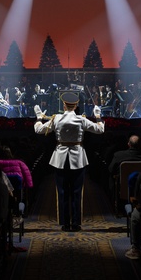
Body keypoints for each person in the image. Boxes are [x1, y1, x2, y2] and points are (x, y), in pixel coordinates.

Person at [34, 91, 105, 232]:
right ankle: (76, 223)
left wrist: (39, 118)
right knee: (77, 191)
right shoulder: (81, 119)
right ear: (76, 105)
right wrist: (97, 116)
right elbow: (100, 129)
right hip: (78, 158)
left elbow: (39, 130)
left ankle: (65, 223)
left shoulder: (57, 118)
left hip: (60, 158)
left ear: (64, 105)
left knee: (62, 191)